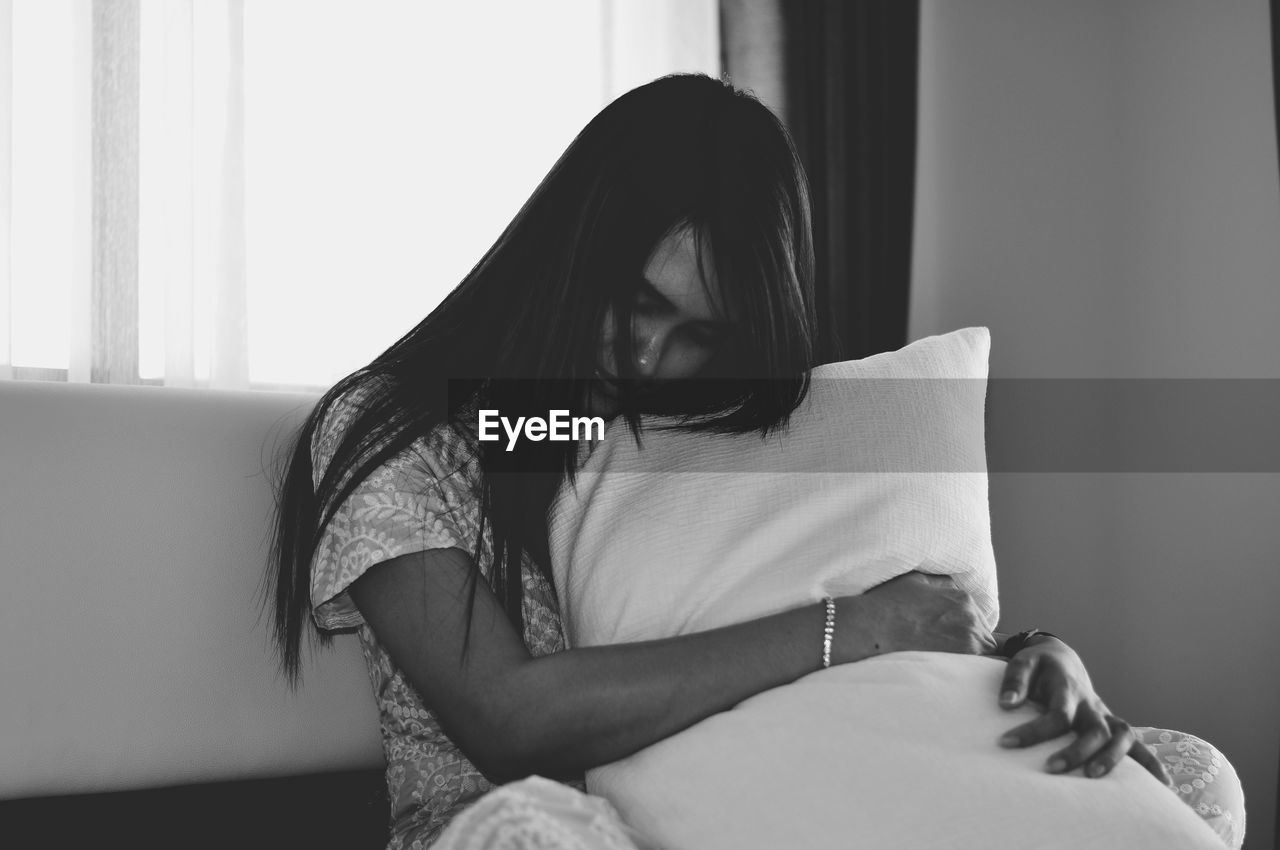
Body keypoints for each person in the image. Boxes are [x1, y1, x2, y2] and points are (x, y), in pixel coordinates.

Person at [266, 73, 1229, 849]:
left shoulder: (683, 427)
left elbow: (880, 600)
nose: (647, 361)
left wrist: (1028, 658)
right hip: (538, 822)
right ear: (569, 246)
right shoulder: (408, 433)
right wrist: (848, 629)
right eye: (637, 304)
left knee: (1186, 772)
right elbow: (507, 719)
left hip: (765, 786)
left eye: (697, 336)